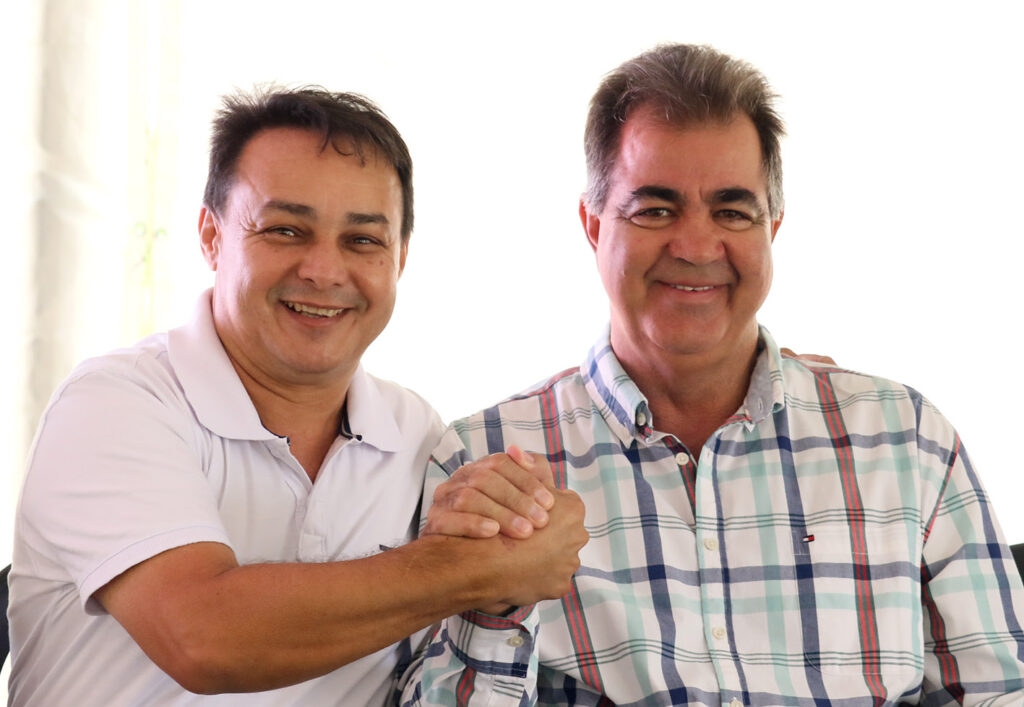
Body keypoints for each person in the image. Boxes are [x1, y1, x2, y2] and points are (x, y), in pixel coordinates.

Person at [400, 44, 1024, 704]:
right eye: (655, 209)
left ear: (771, 227)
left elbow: (1002, 690)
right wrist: (493, 604)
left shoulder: (907, 440)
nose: (697, 246)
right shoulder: (484, 467)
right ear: (593, 225)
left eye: (731, 211)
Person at [7, 87, 588, 705]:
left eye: (362, 240)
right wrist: (480, 568)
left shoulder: (417, 433)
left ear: (400, 259)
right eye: (285, 230)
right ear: (211, 235)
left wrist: (515, 533)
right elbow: (203, 639)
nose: (323, 271)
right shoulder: (114, 404)